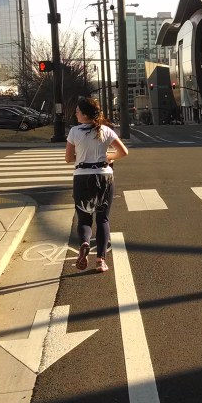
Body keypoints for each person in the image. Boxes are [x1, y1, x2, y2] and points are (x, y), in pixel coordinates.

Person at [65, 96, 129, 273]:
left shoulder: (74, 132)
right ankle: (100, 260)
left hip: (81, 177)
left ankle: (85, 243)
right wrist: (108, 157)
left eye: (78, 111)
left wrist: (84, 158)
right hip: (103, 177)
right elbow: (123, 152)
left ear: (84, 114)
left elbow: (68, 158)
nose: (76, 113)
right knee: (103, 219)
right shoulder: (106, 131)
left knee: (84, 218)